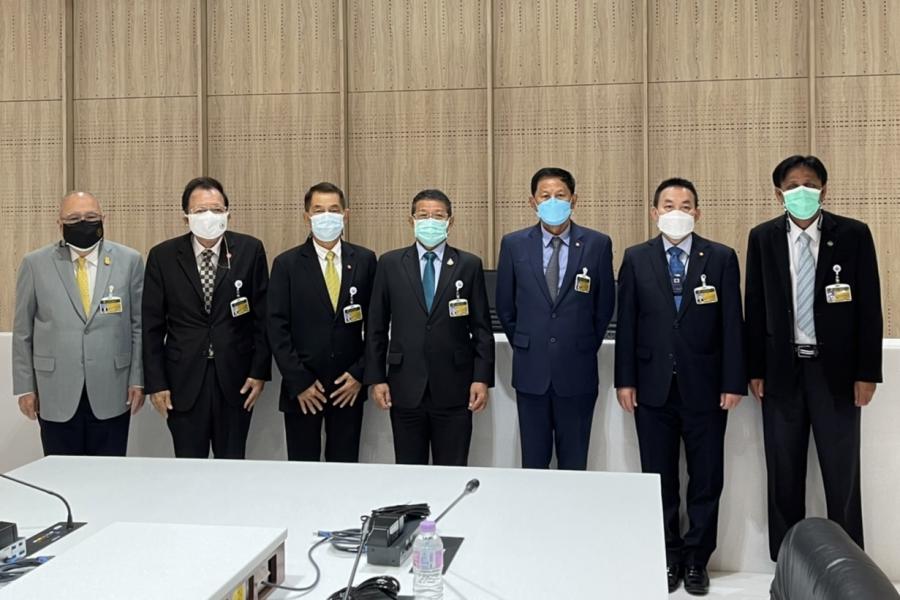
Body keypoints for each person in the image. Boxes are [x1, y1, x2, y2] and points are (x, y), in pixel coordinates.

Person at [745, 155, 883, 560]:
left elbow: (869, 308)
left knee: (842, 473)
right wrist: (756, 369)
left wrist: (867, 372)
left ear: (824, 189)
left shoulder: (853, 234)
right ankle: (789, 561)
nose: (801, 192)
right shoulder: (763, 237)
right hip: (782, 371)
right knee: (783, 472)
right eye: (792, 186)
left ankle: (848, 564)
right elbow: (755, 306)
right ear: (779, 194)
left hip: (836, 373)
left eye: (809, 184)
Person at [615, 178, 745, 595]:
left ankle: (696, 560)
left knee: (706, 479)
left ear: (697, 213)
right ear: (654, 212)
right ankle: (668, 555)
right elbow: (627, 324)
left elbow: (732, 325)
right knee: (659, 477)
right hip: (652, 388)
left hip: (706, 387)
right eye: (668, 205)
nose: (677, 212)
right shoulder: (636, 258)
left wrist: (733, 381)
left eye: (685, 205)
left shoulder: (720, 258)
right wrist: (625, 380)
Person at [142, 176, 271, 459]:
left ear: (227, 213)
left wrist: (259, 371)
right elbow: (151, 327)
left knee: (232, 462)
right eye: (200, 210)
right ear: (185, 217)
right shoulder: (163, 256)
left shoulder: (250, 250)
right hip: (183, 380)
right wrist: (157, 383)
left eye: (216, 209)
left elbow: (263, 318)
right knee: (189, 465)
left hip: (236, 378)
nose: (209, 216)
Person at [495, 167, 615, 470]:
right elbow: (505, 307)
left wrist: (581, 343)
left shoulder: (597, 244)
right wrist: (525, 342)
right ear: (532, 202)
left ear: (574, 200)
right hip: (531, 370)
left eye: (560, 195)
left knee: (574, 462)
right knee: (533, 462)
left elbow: (604, 307)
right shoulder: (514, 244)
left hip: (577, 370)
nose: (552, 201)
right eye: (545, 196)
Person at [364, 189, 494, 466]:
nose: (430, 221)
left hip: (455, 387)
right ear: (411, 220)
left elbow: (482, 328)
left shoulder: (468, 265)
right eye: (423, 215)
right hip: (405, 386)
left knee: (452, 468)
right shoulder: (390, 264)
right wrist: (377, 378)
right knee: (410, 470)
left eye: (438, 216)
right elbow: (376, 326)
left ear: (450, 221)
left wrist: (481, 378)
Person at [12, 191, 144, 456]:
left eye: (91, 217)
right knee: (61, 471)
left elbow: (138, 325)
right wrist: (25, 388)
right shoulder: (35, 264)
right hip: (55, 390)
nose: (83, 223)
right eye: (73, 218)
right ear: (59, 223)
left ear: (104, 219)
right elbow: (23, 331)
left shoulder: (130, 261)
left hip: (113, 388)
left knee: (108, 471)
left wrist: (137, 380)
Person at [268, 182, 377, 462]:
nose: (326, 216)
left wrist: (359, 374)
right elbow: (277, 328)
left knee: (345, 468)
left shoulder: (365, 260)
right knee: (303, 471)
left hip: (348, 388)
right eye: (318, 210)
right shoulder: (286, 264)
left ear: (345, 215)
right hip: (303, 389)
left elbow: (376, 325)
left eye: (334, 210)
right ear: (307, 216)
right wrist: (299, 381)